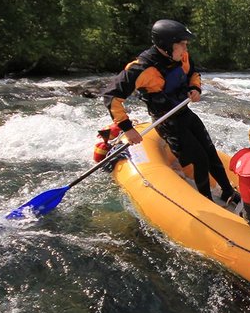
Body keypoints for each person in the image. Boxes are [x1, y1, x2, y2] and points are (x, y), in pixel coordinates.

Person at [101, 18, 239, 207]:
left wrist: (195, 88)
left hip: (184, 113)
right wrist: (127, 128)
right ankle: (206, 200)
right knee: (199, 159)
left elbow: (193, 73)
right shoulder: (141, 68)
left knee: (210, 152)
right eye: (181, 44)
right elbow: (112, 97)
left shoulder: (182, 56)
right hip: (167, 122)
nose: (185, 48)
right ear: (166, 45)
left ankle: (228, 192)